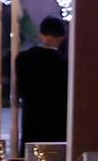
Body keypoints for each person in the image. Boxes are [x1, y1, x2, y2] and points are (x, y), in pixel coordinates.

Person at [14, 16, 70, 146]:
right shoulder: (64, 63)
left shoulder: (23, 58)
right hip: (57, 123)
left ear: (41, 33)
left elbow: (21, 89)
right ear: (62, 37)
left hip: (31, 119)